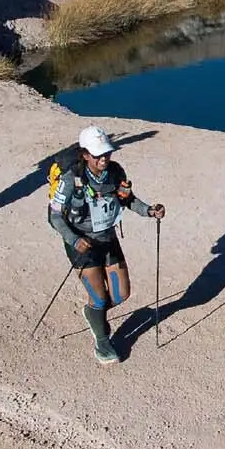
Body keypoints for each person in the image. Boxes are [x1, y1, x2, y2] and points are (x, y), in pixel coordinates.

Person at [49, 125, 163, 364]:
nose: (104, 158)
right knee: (100, 298)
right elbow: (54, 216)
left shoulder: (116, 171)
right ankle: (102, 343)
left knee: (121, 295)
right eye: (98, 154)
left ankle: (93, 314)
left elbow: (127, 199)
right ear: (85, 154)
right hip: (83, 245)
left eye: (106, 153)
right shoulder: (70, 179)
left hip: (108, 239)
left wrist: (148, 210)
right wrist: (74, 240)